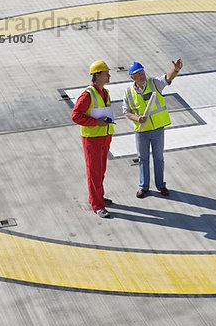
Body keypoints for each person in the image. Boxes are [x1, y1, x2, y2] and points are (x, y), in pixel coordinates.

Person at [123, 59, 183, 198]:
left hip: (157, 129)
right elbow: (126, 112)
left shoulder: (154, 83)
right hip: (141, 130)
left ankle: (161, 185)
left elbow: (167, 78)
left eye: (142, 72)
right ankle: (143, 187)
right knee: (142, 159)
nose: (141, 75)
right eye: (137, 74)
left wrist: (175, 70)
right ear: (132, 77)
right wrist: (137, 118)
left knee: (158, 158)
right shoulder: (128, 92)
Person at [71, 60, 114, 218]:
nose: (109, 75)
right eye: (106, 73)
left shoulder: (105, 92)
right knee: (94, 171)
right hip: (93, 138)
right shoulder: (87, 95)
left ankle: (97, 196)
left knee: (101, 169)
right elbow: (75, 116)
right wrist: (96, 122)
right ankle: (97, 205)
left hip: (104, 136)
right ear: (98, 75)